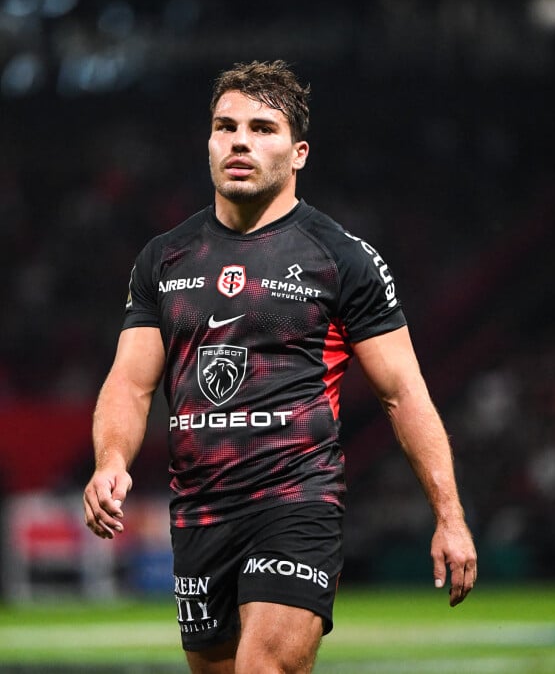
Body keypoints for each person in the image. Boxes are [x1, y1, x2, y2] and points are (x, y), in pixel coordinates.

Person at [84, 60, 477, 674]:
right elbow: (131, 385)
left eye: (262, 128)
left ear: (298, 154)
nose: (240, 140)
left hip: (297, 500)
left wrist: (449, 516)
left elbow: (403, 392)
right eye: (225, 126)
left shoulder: (341, 259)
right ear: (209, 141)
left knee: (262, 668)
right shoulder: (163, 259)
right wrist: (110, 461)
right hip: (200, 510)